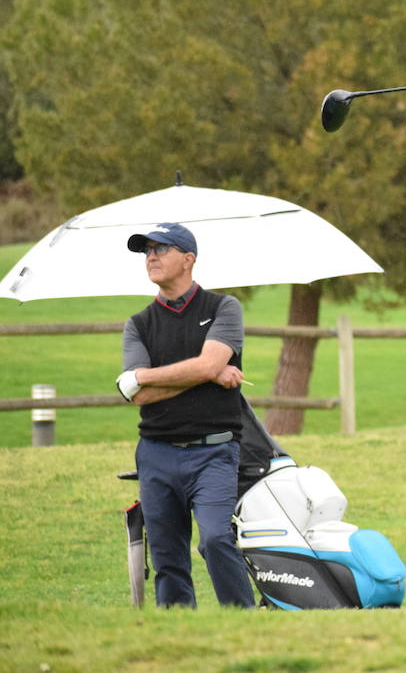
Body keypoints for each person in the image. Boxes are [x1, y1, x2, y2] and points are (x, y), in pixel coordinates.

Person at [115, 222, 256, 609]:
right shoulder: (139, 324)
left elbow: (142, 382)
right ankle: (180, 634)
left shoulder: (223, 308)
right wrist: (206, 372)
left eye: (161, 249)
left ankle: (243, 621)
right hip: (156, 453)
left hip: (214, 452)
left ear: (188, 259)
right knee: (167, 557)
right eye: (147, 251)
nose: (152, 257)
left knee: (215, 539)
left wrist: (147, 376)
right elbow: (138, 395)